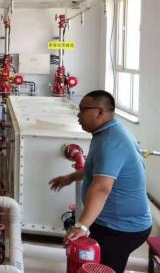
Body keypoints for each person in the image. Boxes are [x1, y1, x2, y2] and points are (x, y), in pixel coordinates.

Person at [49, 90, 152, 273]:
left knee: (101, 268)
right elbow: (95, 170)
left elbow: (102, 187)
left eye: (82, 109)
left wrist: (82, 225)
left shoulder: (111, 140)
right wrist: (70, 178)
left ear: (99, 112)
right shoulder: (106, 133)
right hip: (110, 222)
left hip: (122, 228)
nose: (78, 115)